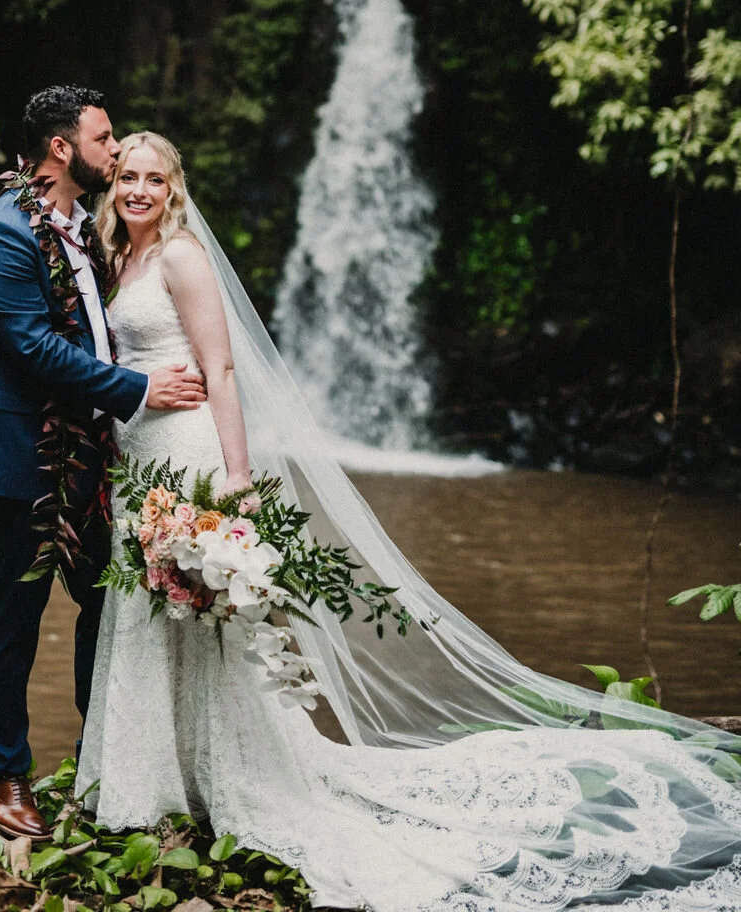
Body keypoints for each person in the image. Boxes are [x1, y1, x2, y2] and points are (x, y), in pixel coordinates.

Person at [77, 131, 741, 912]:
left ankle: (217, 780)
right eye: (128, 176)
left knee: (200, 620)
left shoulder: (184, 257)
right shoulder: (116, 259)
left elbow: (220, 368)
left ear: (175, 188)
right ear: (111, 181)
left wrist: (238, 475)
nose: (140, 190)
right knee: (153, 615)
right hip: (140, 458)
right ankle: (154, 779)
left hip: (188, 456)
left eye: (155, 178)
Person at [0, 88, 207, 841]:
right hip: (27, 457)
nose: (116, 147)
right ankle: (5, 773)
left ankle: (100, 755)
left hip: (99, 453)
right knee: (17, 615)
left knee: (109, 602)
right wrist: (140, 389)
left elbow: (102, 326)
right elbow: (33, 347)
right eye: (104, 138)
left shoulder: (87, 234)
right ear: (63, 150)